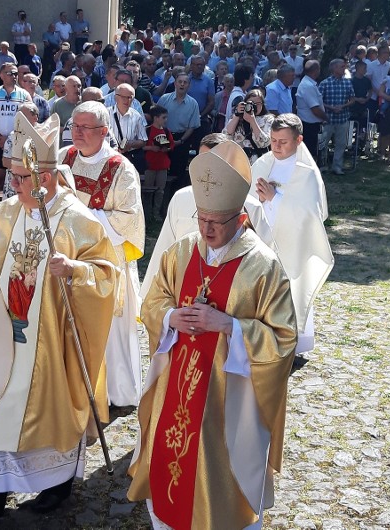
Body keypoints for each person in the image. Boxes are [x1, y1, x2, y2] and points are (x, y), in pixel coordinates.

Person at [0, 116, 118, 524]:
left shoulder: (79, 221)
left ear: (47, 177)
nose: (13, 185)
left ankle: (56, 484)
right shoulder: (6, 213)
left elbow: (109, 276)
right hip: (8, 340)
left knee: (49, 412)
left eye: (20, 178)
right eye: (13, 177)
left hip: (53, 345)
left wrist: (75, 270)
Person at [127, 140, 298, 530]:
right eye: (201, 219)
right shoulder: (182, 251)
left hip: (228, 392)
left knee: (214, 461)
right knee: (172, 462)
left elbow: (284, 338)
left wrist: (231, 327)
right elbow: (152, 302)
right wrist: (171, 317)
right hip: (176, 384)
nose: (205, 229)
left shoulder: (264, 267)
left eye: (215, 223)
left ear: (240, 220)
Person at [59, 101, 145, 407]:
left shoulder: (121, 168)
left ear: (105, 131)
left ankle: (116, 393)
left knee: (111, 328)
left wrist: (83, 218)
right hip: (69, 255)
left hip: (108, 257)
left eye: (85, 127)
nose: (77, 133)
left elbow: (129, 218)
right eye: (74, 126)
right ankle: (75, 388)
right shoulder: (64, 159)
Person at [140, 133, 274, 301]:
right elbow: (166, 246)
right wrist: (152, 297)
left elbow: (265, 258)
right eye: (201, 160)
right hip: (184, 287)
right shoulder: (181, 198)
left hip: (232, 291)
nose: (206, 170)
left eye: (212, 161)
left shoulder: (249, 206)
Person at [250, 114, 334, 356]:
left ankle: (291, 344)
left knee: (290, 291)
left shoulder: (306, 173)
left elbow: (311, 215)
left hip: (292, 244)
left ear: (299, 140)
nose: (276, 146)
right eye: (273, 140)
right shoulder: (262, 165)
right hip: (262, 239)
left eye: (283, 142)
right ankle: (260, 341)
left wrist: (275, 198)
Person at [0, 62, 31, 188]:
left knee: (18, 178)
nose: (14, 76)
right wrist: (0, 139)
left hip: (18, 142)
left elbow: (30, 120)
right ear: (1, 75)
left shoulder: (24, 95)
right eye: (10, 73)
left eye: (16, 73)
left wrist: (12, 139)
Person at [143, 104, 175, 219]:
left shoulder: (166, 131)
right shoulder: (147, 130)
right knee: (148, 190)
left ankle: (156, 213)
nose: (166, 120)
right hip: (150, 165)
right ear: (156, 118)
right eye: (163, 117)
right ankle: (147, 213)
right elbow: (141, 146)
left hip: (162, 165)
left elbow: (171, 144)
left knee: (160, 191)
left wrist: (166, 148)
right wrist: (151, 148)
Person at [225, 87, 273, 163]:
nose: (254, 106)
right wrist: (237, 115)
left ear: (263, 104)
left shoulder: (268, 119)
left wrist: (252, 121)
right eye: (251, 103)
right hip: (238, 161)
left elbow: (264, 142)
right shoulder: (238, 118)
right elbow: (226, 135)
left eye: (258, 103)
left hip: (258, 161)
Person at [295, 60, 327, 160]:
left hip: (310, 124)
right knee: (310, 154)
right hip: (309, 125)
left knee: (314, 151)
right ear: (316, 70)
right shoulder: (308, 86)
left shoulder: (308, 83)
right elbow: (315, 109)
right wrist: (326, 118)